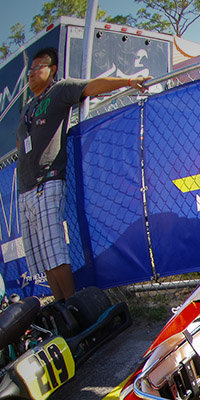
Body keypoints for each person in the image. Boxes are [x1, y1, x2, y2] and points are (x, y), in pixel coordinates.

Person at [15, 46, 150, 301]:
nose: (31, 73)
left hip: (47, 182)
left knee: (54, 251)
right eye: (30, 69)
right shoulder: (28, 106)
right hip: (25, 189)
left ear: (52, 70)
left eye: (37, 68)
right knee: (43, 257)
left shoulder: (59, 90)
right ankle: (61, 307)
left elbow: (92, 86)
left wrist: (128, 81)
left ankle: (73, 307)